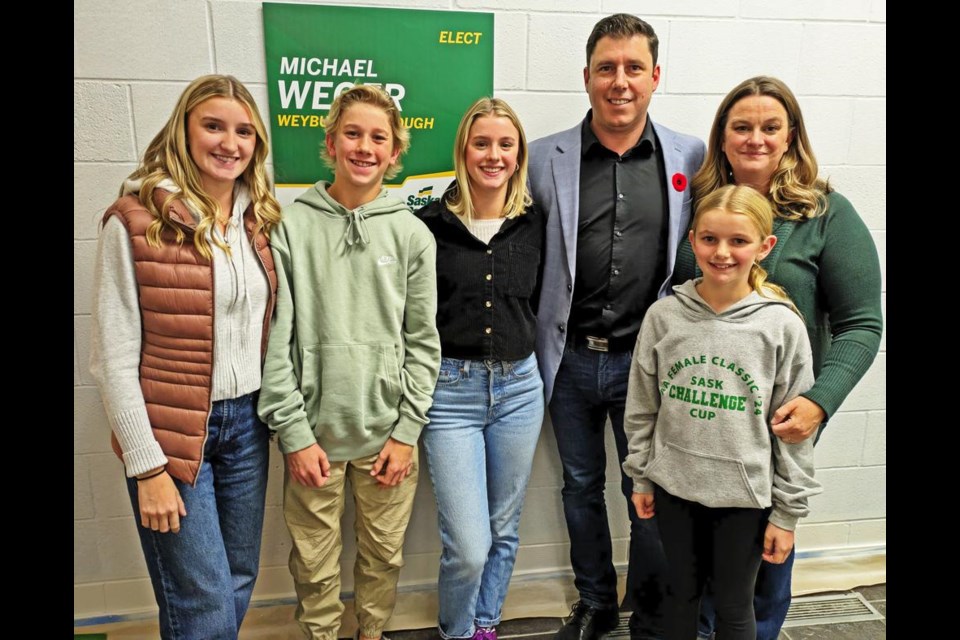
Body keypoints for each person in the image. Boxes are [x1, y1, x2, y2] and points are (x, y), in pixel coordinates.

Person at [671, 76, 884, 640]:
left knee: (764, 555)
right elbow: (676, 297)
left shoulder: (826, 214)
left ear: (791, 137)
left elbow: (863, 324)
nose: (756, 139)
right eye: (742, 127)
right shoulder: (700, 208)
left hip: (778, 421)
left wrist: (820, 401)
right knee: (700, 559)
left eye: (770, 127)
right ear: (722, 136)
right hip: (703, 415)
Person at [527, 14, 705, 640]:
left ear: (656, 76)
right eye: (607, 68)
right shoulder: (541, 158)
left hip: (649, 362)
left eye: (634, 68)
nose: (620, 81)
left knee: (650, 490)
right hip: (569, 359)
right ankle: (597, 602)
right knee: (580, 485)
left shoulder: (690, 155)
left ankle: (651, 614)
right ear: (587, 78)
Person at [89, 74, 281, 639]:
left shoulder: (258, 221)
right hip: (171, 433)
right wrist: (146, 466)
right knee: (203, 602)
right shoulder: (133, 220)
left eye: (244, 131)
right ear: (183, 132)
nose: (231, 143)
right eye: (214, 126)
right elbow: (112, 357)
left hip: (246, 423)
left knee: (238, 578)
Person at [256, 84, 441, 640]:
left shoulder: (411, 233)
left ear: (394, 151)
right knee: (314, 566)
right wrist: (293, 433)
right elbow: (275, 343)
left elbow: (422, 343)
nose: (364, 147)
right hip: (313, 437)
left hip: (388, 438)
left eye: (378, 137)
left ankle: (372, 633)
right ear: (331, 143)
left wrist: (407, 431)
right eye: (352, 134)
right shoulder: (290, 227)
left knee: (383, 559)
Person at [623, 184, 822, 640]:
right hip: (674, 487)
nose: (722, 252)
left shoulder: (781, 325)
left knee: (734, 606)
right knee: (679, 596)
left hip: (745, 498)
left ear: (764, 246)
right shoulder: (664, 316)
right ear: (692, 240)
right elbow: (642, 408)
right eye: (710, 239)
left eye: (738, 241)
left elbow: (793, 433)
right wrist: (642, 477)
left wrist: (787, 514)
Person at [416, 97, 545, 640]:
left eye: (506, 144)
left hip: (520, 389)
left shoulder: (537, 223)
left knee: (504, 528)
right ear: (464, 150)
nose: (494, 155)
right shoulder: (428, 224)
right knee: (468, 544)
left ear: (518, 154)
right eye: (482, 143)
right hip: (449, 394)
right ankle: (456, 630)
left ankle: (486, 624)